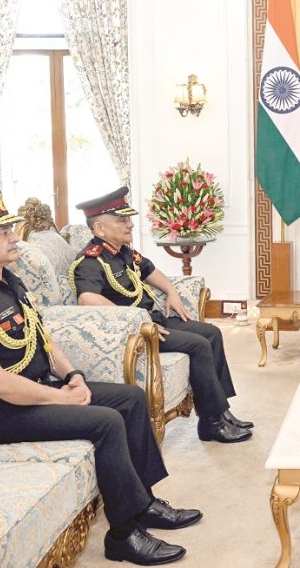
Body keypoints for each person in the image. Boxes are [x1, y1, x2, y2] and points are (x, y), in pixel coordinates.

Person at [0, 189, 201, 566]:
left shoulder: (8, 283)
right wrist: (61, 397)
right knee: (106, 422)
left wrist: (74, 375)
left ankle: (144, 503)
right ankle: (123, 535)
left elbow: (43, 338)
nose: (14, 237)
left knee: (131, 398)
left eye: (11, 230)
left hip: (35, 390)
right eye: (3, 233)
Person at [69, 188, 252, 444]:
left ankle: (221, 412)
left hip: (154, 320)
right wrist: (134, 320)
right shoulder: (90, 261)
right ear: (99, 228)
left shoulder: (122, 251)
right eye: (122, 220)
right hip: (136, 334)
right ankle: (211, 423)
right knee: (198, 345)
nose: (130, 224)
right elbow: (87, 299)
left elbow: (150, 271)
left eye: (128, 219)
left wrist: (172, 291)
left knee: (211, 332)